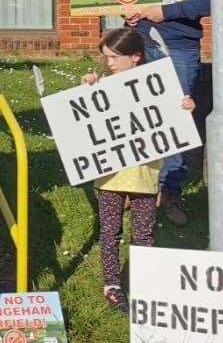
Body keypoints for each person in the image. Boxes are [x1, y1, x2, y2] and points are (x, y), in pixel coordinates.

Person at [83, 27, 196, 310]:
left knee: (143, 233)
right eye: (106, 57)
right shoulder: (102, 86)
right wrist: (87, 88)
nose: (108, 63)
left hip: (145, 175)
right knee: (110, 232)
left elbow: (173, 118)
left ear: (135, 57)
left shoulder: (157, 87)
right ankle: (112, 285)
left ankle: (144, 283)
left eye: (114, 57)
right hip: (110, 176)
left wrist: (185, 107)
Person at [122, 0, 209, 227]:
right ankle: (136, 191)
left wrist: (165, 11)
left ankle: (169, 194)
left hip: (179, 45)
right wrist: (127, 9)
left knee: (176, 121)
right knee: (137, 118)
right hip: (139, 43)